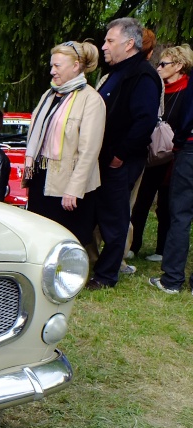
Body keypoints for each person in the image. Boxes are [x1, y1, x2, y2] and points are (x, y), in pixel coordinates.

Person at [86, 18, 162, 289]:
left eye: (110, 41)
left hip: (120, 161)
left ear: (129, 44)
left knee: (115, 219)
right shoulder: (117, 72)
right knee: (95, 213)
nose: (104, 46)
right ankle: (90, 265)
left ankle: (106, 276)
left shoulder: (142, 75)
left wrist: (120, 154)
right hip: (102, 159)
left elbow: (144, 120)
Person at [23, 41, 105, 244]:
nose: (52, 71)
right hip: (42, 177)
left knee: (66, 240)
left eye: (57, 66)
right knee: (40, 236)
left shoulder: (91, 100)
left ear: (76, 65)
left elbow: (89, 152)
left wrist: (73, 189)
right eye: (52, 66)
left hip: (68, 186)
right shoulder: (49, 95)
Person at [130, 44, 193, 263]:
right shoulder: (159, 88)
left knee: (167, 204)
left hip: (176, 154)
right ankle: (133, 244)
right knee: (141, 199)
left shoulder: (187, 91)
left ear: (179, 66)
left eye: (164, 64)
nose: (159, 67)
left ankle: (162, 248)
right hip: (154, 152)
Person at [148, 82, 193, 293]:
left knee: (180, 215)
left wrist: (180, 139)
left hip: (191, 148)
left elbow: (188, 110)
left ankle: (172, 279)